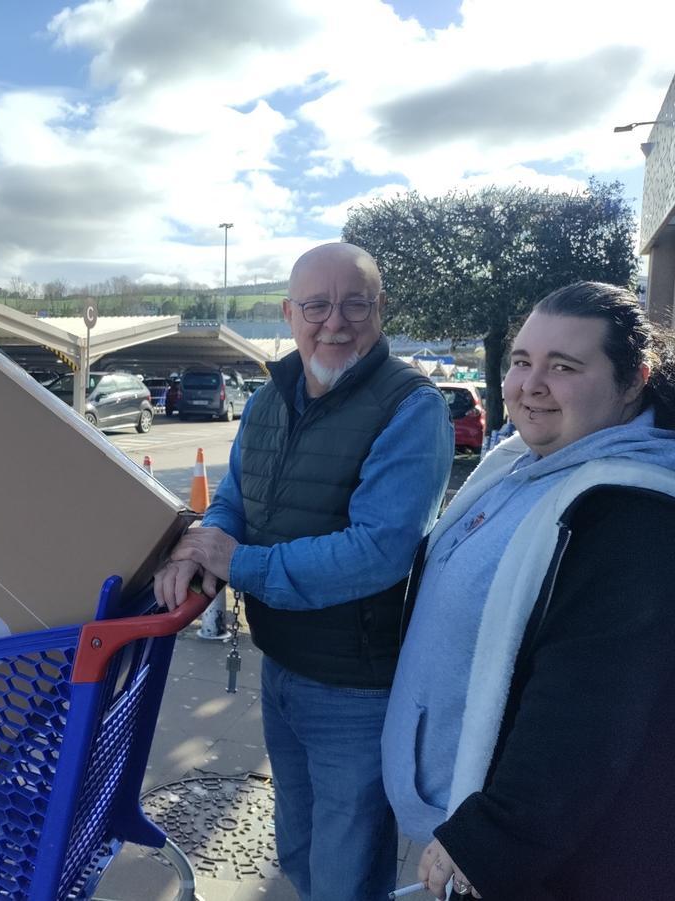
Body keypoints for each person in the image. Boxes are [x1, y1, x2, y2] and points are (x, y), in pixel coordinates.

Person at [382, 281, 675, 900]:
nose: (529, 384)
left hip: (575, 854)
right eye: (521, 361)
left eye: (564, 366)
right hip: (489, 812)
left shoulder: (641, 517)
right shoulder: (525, 462)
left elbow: (590, 704)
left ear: (634, 381)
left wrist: (494, 836)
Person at [154, 241, 454, 901]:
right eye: (317, 305)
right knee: (298, 845)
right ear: (289, 312)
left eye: (356, 304)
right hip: (282, 664)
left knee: (346, 867)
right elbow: (235, 495)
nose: (335, 321)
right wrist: (199, 543)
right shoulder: (269, 399)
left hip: (355, 687)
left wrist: (237, 563)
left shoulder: (411, 406)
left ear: (380, 311)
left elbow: (378, 550)